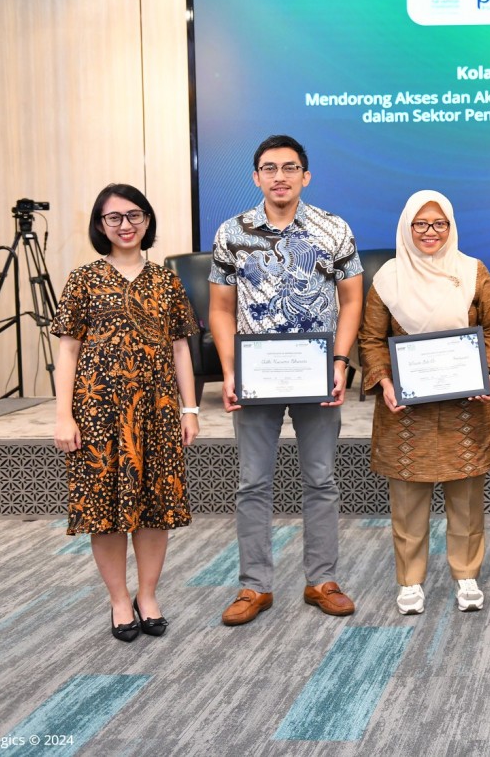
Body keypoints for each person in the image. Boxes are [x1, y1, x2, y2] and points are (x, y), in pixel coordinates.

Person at [209, 134, 364, 626]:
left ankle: (322, 581)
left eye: (290, 167)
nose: (280, 176)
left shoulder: (332, 229)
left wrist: (340, 362)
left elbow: (353, 300)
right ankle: (254, 587)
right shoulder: (232, 232)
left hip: (317, 376)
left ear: (306, 176)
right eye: (270, 168)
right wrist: (230, 372)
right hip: (256, 380)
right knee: (252, 483)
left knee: (321, 479)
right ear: (255, 177)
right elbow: (219, 307)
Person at [53, 183, 200, 642]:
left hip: (157, 412)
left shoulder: (166, 280)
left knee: (156, 508)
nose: (125, 225)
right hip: (98, 412)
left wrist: (189, 408)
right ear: (100, 225)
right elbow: (68, 350)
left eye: (135, 215)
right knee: (105, 510)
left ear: (148, 220)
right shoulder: (83, 278)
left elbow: (181, 348)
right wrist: (63, 416)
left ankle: (148, 594)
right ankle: (119, 600)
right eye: (114, 218)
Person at [359, 190, 490, 615]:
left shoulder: (471, 271)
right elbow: (371, 339)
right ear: (407, 228)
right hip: (407, 412)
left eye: (439, 224)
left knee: (466, 500)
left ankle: (466, 575)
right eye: (421, 225)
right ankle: (410, 581)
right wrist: (384, 380)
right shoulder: (388, 277)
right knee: (407, 502)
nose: (430, 233)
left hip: (466, 406)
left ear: (451, 227)